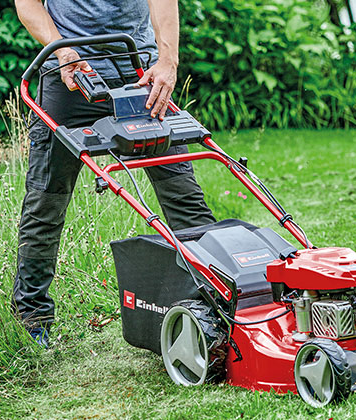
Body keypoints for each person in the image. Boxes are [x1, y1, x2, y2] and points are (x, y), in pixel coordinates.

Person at [12, 0, 216, 348]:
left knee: (184, 197)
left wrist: (167, 61)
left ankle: (219, 303)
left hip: (138, 74)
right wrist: (64, 52)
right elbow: (27, 4)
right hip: (70, 77)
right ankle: (32, 320)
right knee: (46, 201)